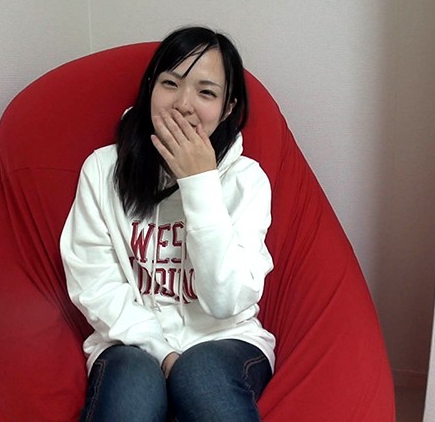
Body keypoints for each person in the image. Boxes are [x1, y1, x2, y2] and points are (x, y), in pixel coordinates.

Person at [60, 26, 275, 422]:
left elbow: (226, 301)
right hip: (128, 342)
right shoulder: (102, 170)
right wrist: (163, 354)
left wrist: (200, 183)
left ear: (228, 108)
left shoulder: (248, 181)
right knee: (131, 382)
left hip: (226, 339)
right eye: (170, 84)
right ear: (149, 89)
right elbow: (96, 285)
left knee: (201, 375)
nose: (183, 105)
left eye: (206, 93)